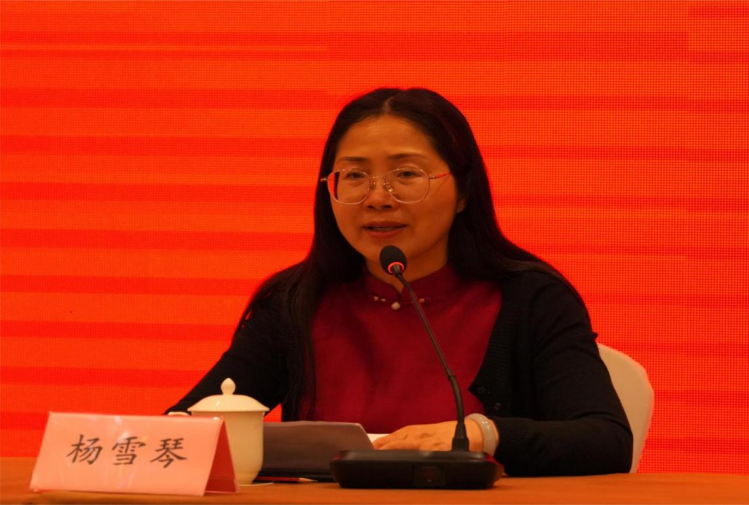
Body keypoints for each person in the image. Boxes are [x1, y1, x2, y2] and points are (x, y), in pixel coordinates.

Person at [166, 88, 633, 476]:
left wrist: (482, 434)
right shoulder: (295, 302)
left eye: (406, 174)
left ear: (464, 191)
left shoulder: (531, 299)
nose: (377, 198)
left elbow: (605, 440)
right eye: (355, 176)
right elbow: (182, 431)